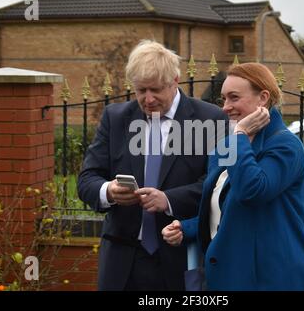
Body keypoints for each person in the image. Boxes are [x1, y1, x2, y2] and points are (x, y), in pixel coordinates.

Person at [77, 40, 227, 291]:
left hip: (180, 258)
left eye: (156, 90)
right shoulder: (115, 118)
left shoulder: (210, 118)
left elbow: (217, 185)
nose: (147, 99)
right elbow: (87, 179)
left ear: (175, 80)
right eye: (140, 90)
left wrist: (168, 200)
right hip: (122, 261)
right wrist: (109, 191)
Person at [162, 62, 304, 290]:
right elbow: (227, 211)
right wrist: (187, 228)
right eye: (223, 98)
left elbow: (252, 191)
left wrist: (240, 134)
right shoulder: (227, 146)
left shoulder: (286, 146)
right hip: (227, 276)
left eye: (234, 97)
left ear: (263, 98)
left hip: (271, 279)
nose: (225, 107)